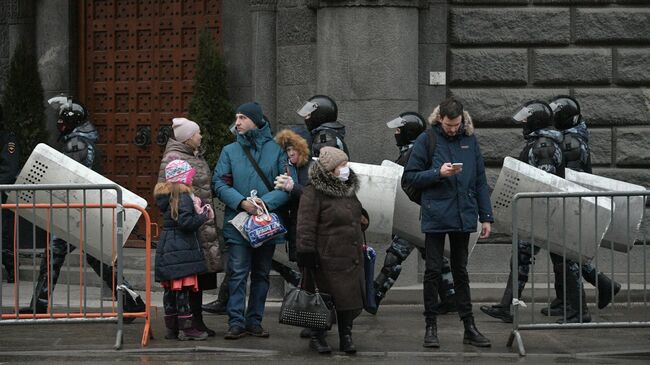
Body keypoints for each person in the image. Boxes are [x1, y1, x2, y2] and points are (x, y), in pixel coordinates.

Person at [20, 97, 145, 316]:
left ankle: (39, 305)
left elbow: (71, 179)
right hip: (82, 211)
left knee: (56, 256)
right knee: (96, 259)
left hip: (76, 212)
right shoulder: (81, 140)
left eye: (62, 119)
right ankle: (132, 302)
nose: (59, 123)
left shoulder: (76, 144)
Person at [480, 100, 591, 324]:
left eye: (526, 121)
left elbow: (544, 183)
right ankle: (507, 307)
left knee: (560, 260)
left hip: (545, 215)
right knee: (534, 259)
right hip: (547, 214)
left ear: (535, 122)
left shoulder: (544, 146)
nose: (523, 126)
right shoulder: (542, 142)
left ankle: (579, 311)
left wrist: (535, 215)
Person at [402, 97, 493, 348]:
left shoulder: (470, 139)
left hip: (463, 215)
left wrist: (486, 217)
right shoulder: (427, 139)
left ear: (462, 119)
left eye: (456, 124)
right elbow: (409, 177)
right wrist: (437, 173)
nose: (453, 129)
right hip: (436, 214)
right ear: (439, 118)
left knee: (461, 272)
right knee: (432, 271)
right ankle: (431, 327)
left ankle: (469, 327)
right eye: (448, 125)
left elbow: (480, 180)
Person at [212, 102, 289, 339]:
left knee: (261, 274)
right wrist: (242, 202)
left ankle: (254, 321)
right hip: (238, 224)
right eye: (236, 118)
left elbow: (286, 184)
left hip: (264, 225)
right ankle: (236, 322)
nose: (237, 122)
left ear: (256, 120)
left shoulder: (277, 150)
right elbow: (219, 183)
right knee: (237, 273)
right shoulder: (229, 151)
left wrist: (263, 204)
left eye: (242, 117)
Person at [541, 95, 620, 315]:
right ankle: (565, 300)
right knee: (560, 254)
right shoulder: (569, 137)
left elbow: (571, 180)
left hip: (572, 206)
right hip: (568, 205)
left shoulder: (571, 142)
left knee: (569, 256)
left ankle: (578, 308)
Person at [372, 112, 457, 314]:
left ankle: (373, 296)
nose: (396, 133)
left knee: (395, 256)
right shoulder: (418, 151)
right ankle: (451, 296)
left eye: (399, 130)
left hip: (415, 213)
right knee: (434, 256)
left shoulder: (414, 153)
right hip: (423, 213)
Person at [296, 146, 366, 355]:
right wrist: (306, 252)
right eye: (342, 165)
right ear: (331, 169)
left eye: (346, 165)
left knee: (348, 299)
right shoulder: (314, 191)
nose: (346, 169)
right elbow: (305, 224)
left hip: (349, 255)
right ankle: (318, 336)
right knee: (322, 298)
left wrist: (364, 219)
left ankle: (346, 335)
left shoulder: (347, 188)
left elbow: (355, 212)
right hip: (325, 256)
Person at [158, 117, 222, 336]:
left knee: (196, 278)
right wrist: (195, 212)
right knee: (187, 279)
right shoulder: (174, 158)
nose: (200, 136)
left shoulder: (193, 154)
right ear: (187, 137)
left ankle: (194, 322)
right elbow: (166, 193)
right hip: (188, 226)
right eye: (197, 133)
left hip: (198, 224)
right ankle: (189, 324)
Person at [154, 159, 213, 341]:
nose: (191, 180)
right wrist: (203, 215)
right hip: (182, 247)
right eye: (189, 176)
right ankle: (188, 329)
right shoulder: (183, 195)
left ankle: (171, 329)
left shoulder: (166, 195)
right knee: (182, 291)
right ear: (182, 178)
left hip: (167, 245)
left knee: (170, 291)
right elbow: (186, 223)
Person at [1, 104, 20, 283]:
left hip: (2, 194)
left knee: (5, 233)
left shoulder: (8, 138)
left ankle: (11, 269)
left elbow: (9, 167)